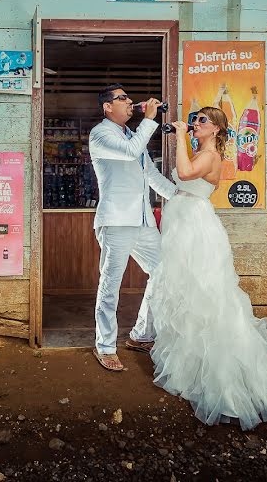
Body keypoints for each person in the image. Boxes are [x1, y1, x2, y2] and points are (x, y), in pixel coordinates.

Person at [147, 106, 267, 429]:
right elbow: (180, 179)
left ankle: (226, 377)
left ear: (216, 129)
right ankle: (193, 365)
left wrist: (178, 137)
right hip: (183, 223)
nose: (195, 124)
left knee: (207, 292)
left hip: (196, 227)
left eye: (202, 121)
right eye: (195, 120)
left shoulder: (208, 156)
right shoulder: (199, 151)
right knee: (187, 293)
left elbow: (187, 173)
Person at [88, 85, 176, 372]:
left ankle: (141, 334)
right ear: (107, 107)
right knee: (111, 283)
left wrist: (184, 196)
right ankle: (105, 346)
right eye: (121, 98)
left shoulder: (131, 135)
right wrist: (149, 119)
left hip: (143, 221)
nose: (128, 102)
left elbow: (152, 176)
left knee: (164, 271)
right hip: (116, 221)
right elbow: (130, 153)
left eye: (128, 98)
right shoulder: (101, 134)